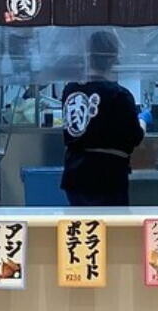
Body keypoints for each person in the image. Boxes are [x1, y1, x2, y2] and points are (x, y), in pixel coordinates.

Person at [61, 31, 146, 206]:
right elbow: (134, 137)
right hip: (106, 176)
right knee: (109, 222)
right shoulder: (119, 94)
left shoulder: (70, 90)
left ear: (88, 55)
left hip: (74, 175)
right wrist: (143, 120)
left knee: (82, 222)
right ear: (114, 58)